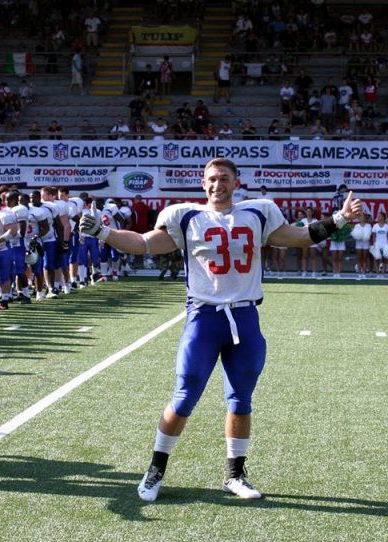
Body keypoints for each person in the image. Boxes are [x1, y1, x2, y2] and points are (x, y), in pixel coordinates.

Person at [79, 157, 362, 502]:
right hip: (204, 317)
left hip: (245, 318)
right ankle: (155, 469)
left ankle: (234, 474)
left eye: (224, 178)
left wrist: (340, 219)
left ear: (236, 182)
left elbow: (300, 237)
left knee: (241, 401)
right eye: (212, 179)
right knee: (184, 397)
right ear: (203, 183)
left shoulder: (258, 213)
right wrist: (102, 232)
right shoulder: (186, 217)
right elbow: (142, 243)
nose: (218, 184)